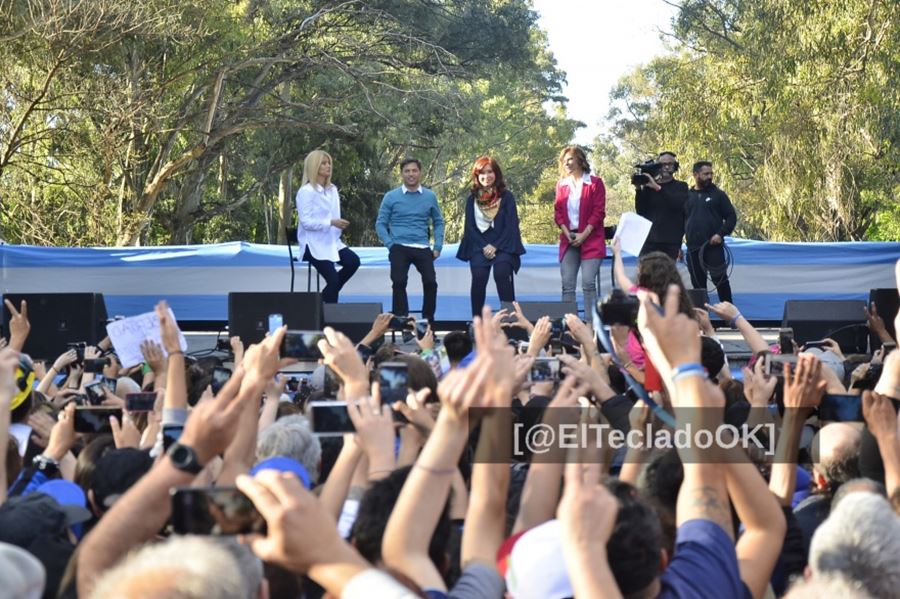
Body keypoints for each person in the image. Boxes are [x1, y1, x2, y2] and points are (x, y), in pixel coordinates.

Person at [375, 158, 445, 323]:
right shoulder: (391, 197)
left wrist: (438, 246)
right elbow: (380, 224)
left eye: (414, 170)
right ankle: (402, 320)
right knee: (398, 282)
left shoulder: (429, 196)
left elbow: (438, 222)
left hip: (422, 246)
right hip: (399, 246)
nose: (411, 174)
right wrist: (390, 245)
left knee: (430, 282)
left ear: (420, 172)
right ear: (401, 174)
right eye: (407, 171)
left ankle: (427, 322)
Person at [456, 156, 525, 317]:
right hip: (479, 246)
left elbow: (511, 226)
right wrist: (484, 246)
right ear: (476, 175)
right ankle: (477, 322)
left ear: (496, 174)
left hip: (503, 245)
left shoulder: (507, 197)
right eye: (482, 173)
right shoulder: (472, 199)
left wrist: (495, 246)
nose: (486, 176)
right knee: (479, 276)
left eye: (490, 172)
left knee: (501, 272)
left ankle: (511, 322)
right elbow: (470, 228)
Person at [295, 150, 360, 303]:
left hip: (331, 242)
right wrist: (331, 223)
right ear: (314, 166)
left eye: (329, 163)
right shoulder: (306, 191)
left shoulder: (332, 190)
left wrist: (338, 225)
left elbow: (334, 215)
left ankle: (322, 300)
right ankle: (327, 317)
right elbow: (306, 222)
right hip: (312, 245)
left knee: (353, 262)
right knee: (333, 281)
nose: (328, 166)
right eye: (323, 163)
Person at [554, 146, 606, 321]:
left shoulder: (595, 183)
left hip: (591, 238)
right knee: (567, 286)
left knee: (588, 284)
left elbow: (599, 212)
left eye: (570, 159)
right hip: (569, 238)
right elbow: (558, 212)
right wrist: (567, 232)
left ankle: (592, 327)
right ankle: (569, 327)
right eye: (564, 160)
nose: (567, 163)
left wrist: (585, 234)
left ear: (580, 160)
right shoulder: (562, 185)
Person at [685, 160, 737, 303]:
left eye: (711, 173)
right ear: (695, 175)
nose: (709, 176)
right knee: (698, 287)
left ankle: (731, 319)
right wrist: (678, 244)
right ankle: (702, 321)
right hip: (693, 249)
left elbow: (731, 217)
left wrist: (720, 234)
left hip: (713, 247)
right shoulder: (687, 196)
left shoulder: (718, 195)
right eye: (705, 174)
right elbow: (679, 221)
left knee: (721, 282)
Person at [634, 151, 689, 260]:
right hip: (649, 242)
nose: (666, 167)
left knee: (667, 276)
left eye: (670, 164)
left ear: (675, 166)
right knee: (647, 275)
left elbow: (677, 204)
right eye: (663, 164)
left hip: (671, 243)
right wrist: (638, 189)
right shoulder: (649, 186)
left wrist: (657, 188)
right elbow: (640, 210)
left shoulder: (681, 186)